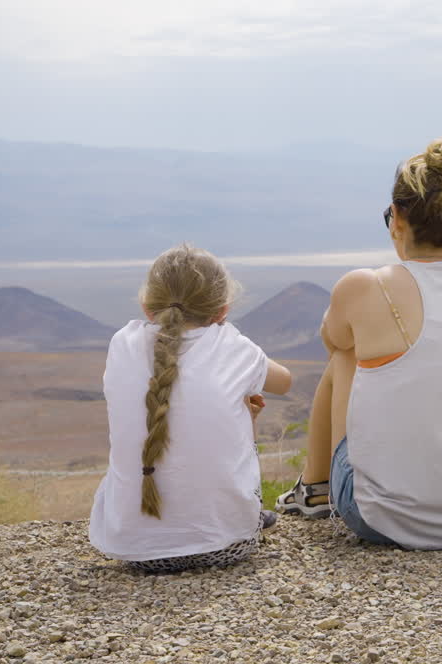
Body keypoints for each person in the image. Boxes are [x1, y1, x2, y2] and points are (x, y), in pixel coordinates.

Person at [275, 130, 442, 550]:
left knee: (347, 353)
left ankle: (314, 488)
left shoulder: (362, 285)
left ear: (397, 219)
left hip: (385, 518)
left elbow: (333, 340)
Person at [89, 244, 292, 572]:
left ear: (146, 306)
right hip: (226, 545)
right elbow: (284, 382)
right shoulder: (231, 346)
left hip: (132, 549)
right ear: (222, 310)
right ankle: (244, 510)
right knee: (244, 404)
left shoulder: (122, 343)